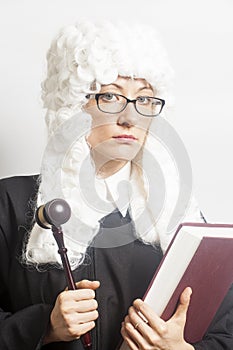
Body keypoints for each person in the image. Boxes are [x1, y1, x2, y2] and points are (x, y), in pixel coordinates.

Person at [0, 20, 232, 350]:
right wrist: (45, 325)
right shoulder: (10, 203)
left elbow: (227, 331)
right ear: (73, 105)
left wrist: (182, 348)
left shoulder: (180, 219)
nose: (130, 117)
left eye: (146, 100)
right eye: (110, 96)